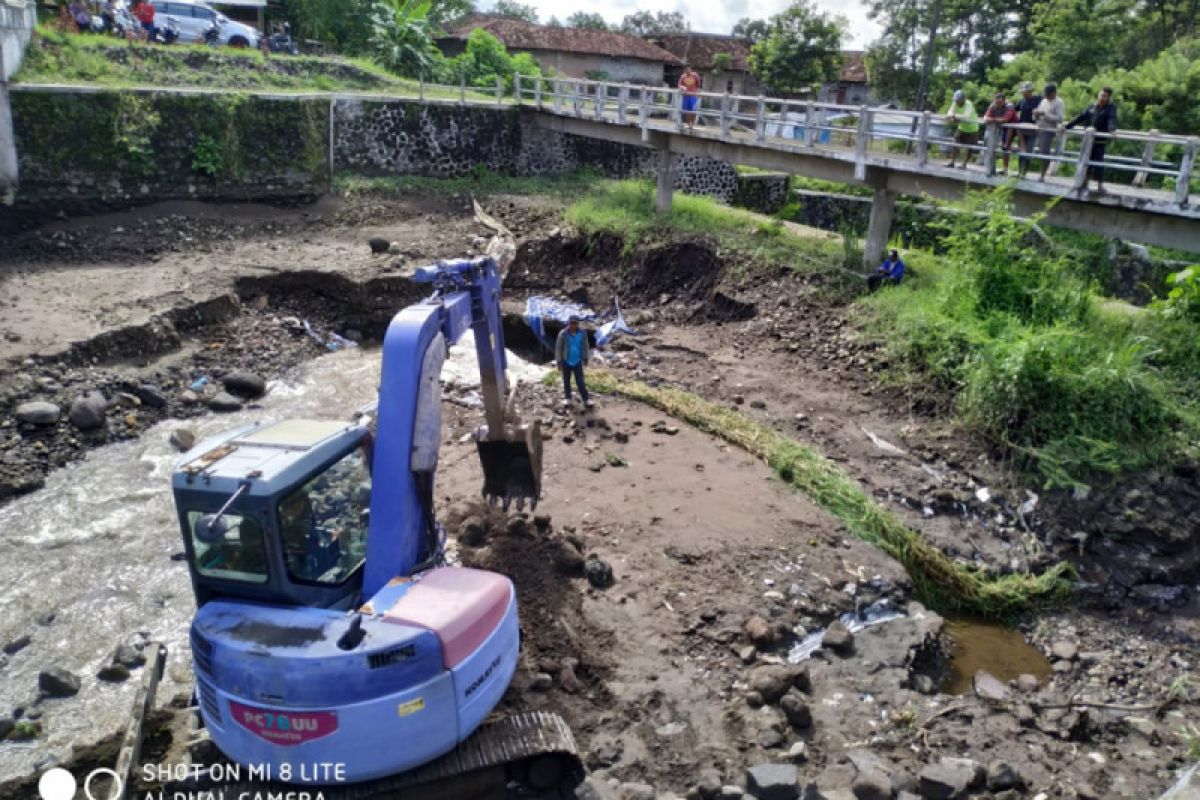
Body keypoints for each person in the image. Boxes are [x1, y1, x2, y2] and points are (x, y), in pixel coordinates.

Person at [1065, 86, 1118, 194]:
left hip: (1100, 140)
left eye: (1104, 96)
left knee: (1098, 162)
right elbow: (1080, 117)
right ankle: (1083, 182)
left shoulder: (1111, 108)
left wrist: (1112, 130)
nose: (1102, 98)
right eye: (1101, 95)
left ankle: (1100, 186)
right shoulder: (1092, 106)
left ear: (1108, 98)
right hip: (1088, 141)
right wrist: (1066, 126)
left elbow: (1112, 119)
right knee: (1084, 160)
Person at [555, 315, 593, 409]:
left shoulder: (582, 333)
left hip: (577, 361)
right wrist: (559, 361)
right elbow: (558, 348)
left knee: (580, 381)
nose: (573, 325)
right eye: (571, 323)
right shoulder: (563, 334)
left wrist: (585, 358)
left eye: (575, 323)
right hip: (566, 361)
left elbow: (585, 346)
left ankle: (586, 399)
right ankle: (568, 398)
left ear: (578, 324)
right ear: (569, 323)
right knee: (566, 381)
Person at [1032, 83, 1065, 182]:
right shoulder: (1043, 101)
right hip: (1040, 128)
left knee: (1045, 153)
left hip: (1049, 130)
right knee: (1041, 151)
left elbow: (1059, 118)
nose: (1046, 95)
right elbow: (1036, 116)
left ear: (1054, 93)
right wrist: (1036, 114)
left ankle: (1042, 175)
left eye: (1048, 93)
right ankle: (1042, 173)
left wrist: (1045, 114)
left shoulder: (1059, 102)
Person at [1010, 81, 1042, 177]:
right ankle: (1020, 171)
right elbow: (1013, 110)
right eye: (1023, 92)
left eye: (1025, 92)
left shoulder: (1039, 99)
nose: (1024, 93)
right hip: (1022, 130)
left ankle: (1024, 172)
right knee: (1021, 150)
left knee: (1029, 150)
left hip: (1033, 130)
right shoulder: (1022, 101)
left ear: (1030, 91)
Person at [944, 90, 980, 168]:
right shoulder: (955, 103)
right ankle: (952, 162)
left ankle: (964, 164)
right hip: (961, 128)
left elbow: (966, 116)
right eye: (956, 100)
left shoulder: (968, 104)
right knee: (955, 144)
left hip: (972, 129)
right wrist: (952, 115)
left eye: (958, 100)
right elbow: (949, 112)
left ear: (963, 99)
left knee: (970, 148)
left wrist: (953, 116)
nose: (957, 102)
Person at [983, 92, 1017, 174]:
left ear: (1004, 101)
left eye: (1000, 103)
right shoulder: (993, 105)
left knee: (1005, 146)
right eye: (996, 102)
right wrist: (990, 119)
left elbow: (1006, 119)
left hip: (1011, 127)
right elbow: (986, 117)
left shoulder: (1009, 106)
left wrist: (992, 119)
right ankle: (991, 169)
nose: (998, 105)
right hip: (998, 126)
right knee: (989, 144)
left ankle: (1005, 169)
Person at [678, 65, 701, 130]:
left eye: (689, 69)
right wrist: (682, 87)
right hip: (686, 96)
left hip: (693, 95)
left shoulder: (695, 76)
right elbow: (679, 85)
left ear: (691, 69)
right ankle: (689, 125)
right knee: (687, 111)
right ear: (684, 71)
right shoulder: (683, 77)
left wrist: (697, 92)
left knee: (693, 110)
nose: (688, 71)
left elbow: (698, 85)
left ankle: (692, 124)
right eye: (686, 70)